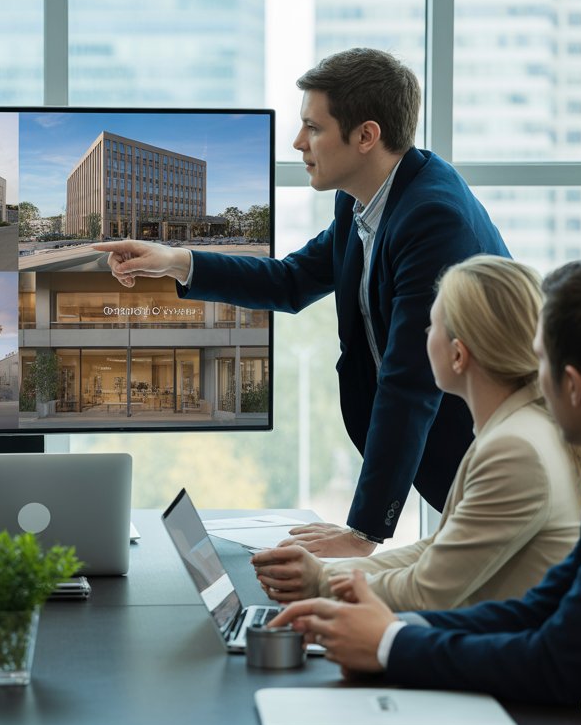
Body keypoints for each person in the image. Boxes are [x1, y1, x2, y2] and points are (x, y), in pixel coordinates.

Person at [95, 48, 509, 557]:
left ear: (366, 136)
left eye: (312, 128)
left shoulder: (432, 218)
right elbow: (291, 281)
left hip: (486, 460)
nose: (297, 143)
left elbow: (410, 382)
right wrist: (175, 260)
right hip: (457, 461)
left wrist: (363, 533)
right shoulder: (368, 201)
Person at [270, 256, 581, 725]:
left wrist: (389, 644)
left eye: (542, 361)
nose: (535, 379)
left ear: (574, 385)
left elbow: (560, 660)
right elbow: (544, 607)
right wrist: (391, 635)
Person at [252, 255, 581, 609]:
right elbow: (437, 549)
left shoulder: (516, 448)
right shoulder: (523, 428)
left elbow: (428, 589)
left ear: (458, 355)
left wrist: (322, 582)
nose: (424, 335)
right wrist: (324, 572)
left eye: (431, 326)